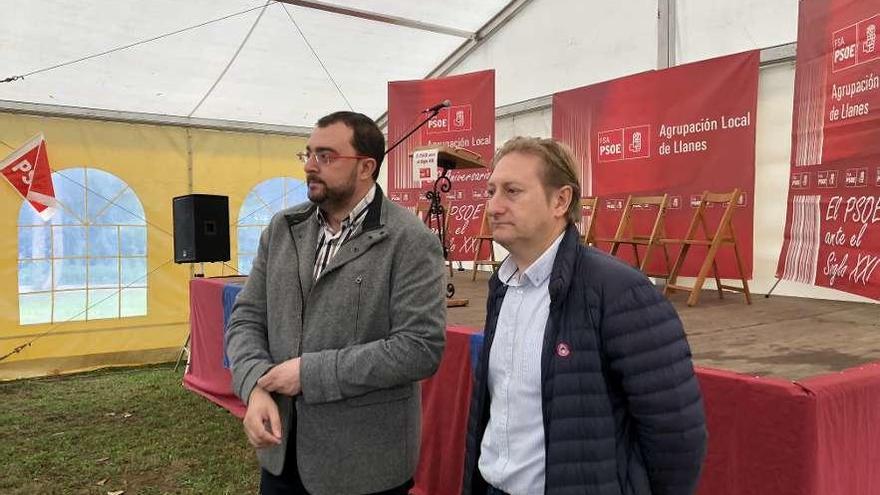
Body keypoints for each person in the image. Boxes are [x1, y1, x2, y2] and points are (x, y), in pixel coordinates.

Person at [462, 137, 707, 495]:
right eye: (490, 191)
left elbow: (677, 434)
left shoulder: (620, 291)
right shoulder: (502, 287)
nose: (494, 206)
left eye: (512, 191)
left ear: (561, 200)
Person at [225, 111, 447, 495]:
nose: (310, 166)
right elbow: (247, 318)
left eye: (326, 156)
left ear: (366, 167)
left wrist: (310, 374)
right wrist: (254, 388)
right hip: (282, 458)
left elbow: (419, 349)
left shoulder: (409, 241)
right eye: (308, 154)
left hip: (364, 469)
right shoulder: (282, 229)